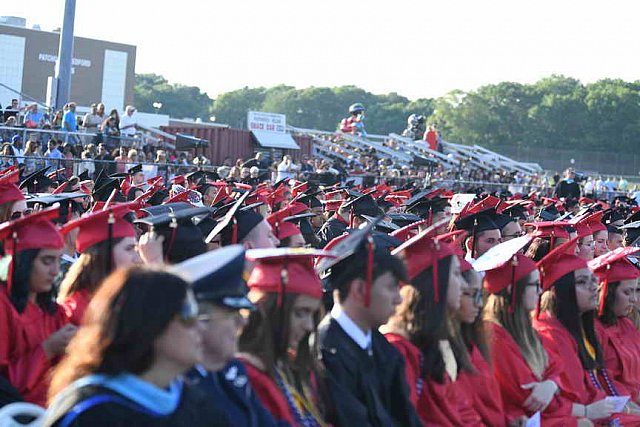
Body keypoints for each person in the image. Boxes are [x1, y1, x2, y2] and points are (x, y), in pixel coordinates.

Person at [42, 267, 228, 426]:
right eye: (187, 314)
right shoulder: (89, 413)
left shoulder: (194, 403)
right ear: (150, 323)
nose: (199, 325)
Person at [315, 224, 422, 426]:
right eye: (391, 288)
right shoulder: (326, 354)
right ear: (359, 289)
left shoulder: (382, 348)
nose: (399, 300)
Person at [381, 224, 479, 425]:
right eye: (455, 274)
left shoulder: (436, 340)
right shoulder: (397, 349)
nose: (462, 284)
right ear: (435, 281)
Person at [175, 246, 283, 427]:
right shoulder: (182, 386)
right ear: (201, 320)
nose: (243, 323)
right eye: (233, 315)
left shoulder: (230, 367)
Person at [534, 238, 640, 422]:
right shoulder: (549, 335)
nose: (593, 287)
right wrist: (585, 412)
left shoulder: (582, 329)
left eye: (593, 280)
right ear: (560, 291)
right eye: (583, 282)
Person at [479, 238, 579, 425]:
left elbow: (555, 366)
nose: (540, 291)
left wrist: (550, 384)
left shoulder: (526, 330)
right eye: (534, 285)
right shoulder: (493, 337)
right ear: (512, 289)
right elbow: (529, 398)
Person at [238, 248, 333, 425]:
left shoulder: (292, 367)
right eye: (300, 313)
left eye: (312, 315)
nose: (309, 326)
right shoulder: (248, 376)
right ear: (270, 310)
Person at [0, 208, 78, 406]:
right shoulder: (3, 307)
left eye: (57, 261)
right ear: (23, 263)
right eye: (47, 261)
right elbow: (5, 383)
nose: (55, 271)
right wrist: (47, 349)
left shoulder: (52, 310)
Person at [58, 204, 142, 325]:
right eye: (129, 249)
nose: (138, 258)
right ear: (104, 254)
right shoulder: (76, 311)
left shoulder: (123, 294)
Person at [593, 247, 640, 403]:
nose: (634, 299)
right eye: (627, 292)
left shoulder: (627, 324)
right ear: (608, 292)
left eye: (635, 291)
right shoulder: (593, 330)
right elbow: (604, 384)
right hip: (618, 408)